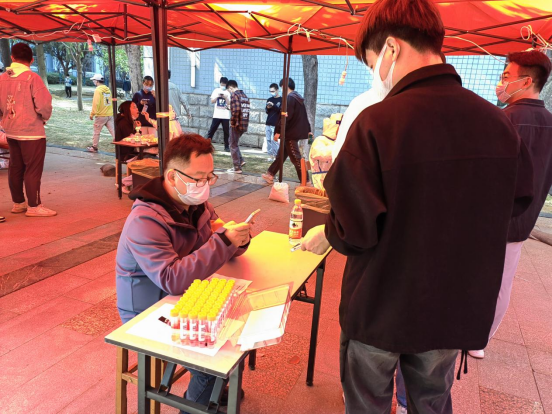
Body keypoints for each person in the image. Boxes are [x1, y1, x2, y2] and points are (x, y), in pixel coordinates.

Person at [300, 0, 534, 412]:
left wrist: (327, 232)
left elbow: (354, 231)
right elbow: (516, 204)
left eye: (371, 62)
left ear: (391, 48)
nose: (376, 74)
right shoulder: (498, 125)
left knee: (367, 404)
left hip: (380, 306)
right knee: (431, 401)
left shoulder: (376, 123)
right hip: (452, 306)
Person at [116, 133, 250, 412]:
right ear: (172, 176)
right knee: (213, 359)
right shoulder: (145, 219)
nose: (205, 185)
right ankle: (203, 396)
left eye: (209, 177)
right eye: (198, 178)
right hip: (148, 310)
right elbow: (171, 279)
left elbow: (218, 238)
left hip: (183, 296)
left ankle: (213, 392)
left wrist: (237, 239)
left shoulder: (197, 205)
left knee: (238, 331)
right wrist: (223, 242)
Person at [469, 49, 552, 360]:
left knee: (471, 277)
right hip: (522, 220)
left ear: (526, 81)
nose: (500, 83)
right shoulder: (550, 123)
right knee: (502, 282)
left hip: (486, 218)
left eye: (506, 76)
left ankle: (463, 331)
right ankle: (479, 340)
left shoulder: (502, 119)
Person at [0, 42, 55, 217]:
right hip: (31, 132)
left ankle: (18, 203)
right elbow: (44, 105)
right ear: (31, 60)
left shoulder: (2, 78)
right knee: (32, 169)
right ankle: (34, 206)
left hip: (10, 129)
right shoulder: (32, 78)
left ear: (12, 57)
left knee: (15, 166)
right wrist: (43, 118)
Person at [261, 78, 310, 184]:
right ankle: (270, 174)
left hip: (290, 133)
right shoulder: (297, 98)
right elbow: (304, 116)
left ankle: (305, 181)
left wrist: (278, 131)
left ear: (284, 86)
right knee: (281, 155)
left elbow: (285, 117)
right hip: (292, 132)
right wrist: (309, 130)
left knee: (296, 158)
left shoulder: (290, 98)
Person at [87, 74, 115, 153]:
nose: (93, 82)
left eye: (94, 80)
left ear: (96, 81)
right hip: (109, 114)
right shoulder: (107, 89)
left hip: (101, 115)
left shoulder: (98, 90)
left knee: (96, 132)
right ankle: (121, 145)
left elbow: (96, 103)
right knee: (113, 131)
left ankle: (94, 147)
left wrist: (92, 114)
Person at [226, 80, 250, 174]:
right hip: (244, 123)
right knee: (233, 142)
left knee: (232, 144)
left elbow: (236, 111)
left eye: (229, 90)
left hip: (236, 124)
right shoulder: (244, 96)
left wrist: (232, 122)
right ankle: (241, 160)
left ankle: (237, 167)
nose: (230, 92)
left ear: (230, 88)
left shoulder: (234, 95)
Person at [206, 77, 231, 151]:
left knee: (226, 132)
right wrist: (218, 96)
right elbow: (212, 101)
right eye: (222, 84)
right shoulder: (216, 90)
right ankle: (206, 144)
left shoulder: (228, 92)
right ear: (220, 83)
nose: (223, 86)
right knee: (212, 130)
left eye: (224, 85)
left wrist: (225, 97)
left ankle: (226, 146)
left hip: (226, 115)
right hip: (217, 115)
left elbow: (229, 103)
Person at [265, 83, 282, 162]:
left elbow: (280, 111)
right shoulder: (269, 99)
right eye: (270, 91)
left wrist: (274, 105)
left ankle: (276, 156)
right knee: (268, 140)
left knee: (274, 140)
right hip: (268, 123)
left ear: (277, 90)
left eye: (273, 91)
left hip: (276, 124)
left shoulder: (281, 100)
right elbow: (267, 111)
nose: (272, 93)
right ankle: (271, 156)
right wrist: (268, 107)